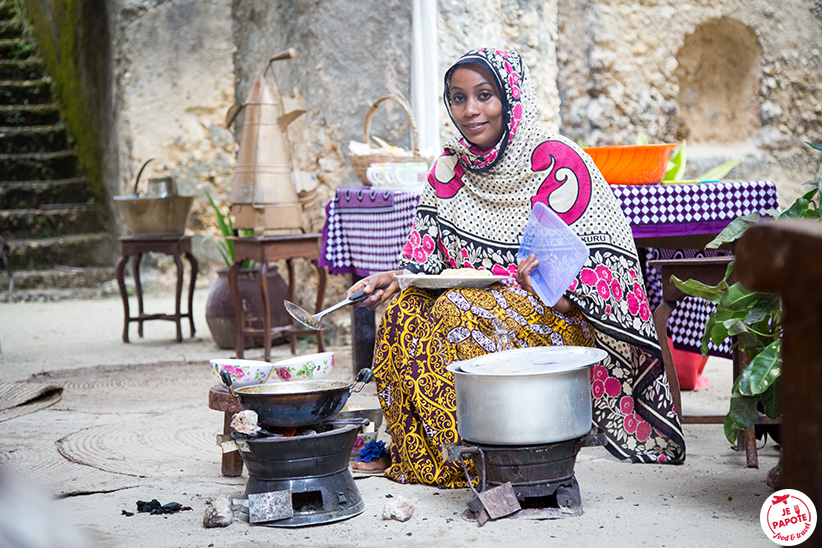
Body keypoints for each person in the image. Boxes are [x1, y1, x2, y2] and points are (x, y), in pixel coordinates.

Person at [349, 48, 685, 487]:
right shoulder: (448, 170)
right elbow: (423, 261)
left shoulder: (560, 162)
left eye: (484, 95)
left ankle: (476, 462)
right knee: (401, 314)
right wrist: (395, 278)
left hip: (555, 317)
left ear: (510, 98)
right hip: (468, 305)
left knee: (456, 315)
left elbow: (611, 287)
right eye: (457, 97)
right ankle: (421, 456)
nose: (470, 110)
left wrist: (547, 290)